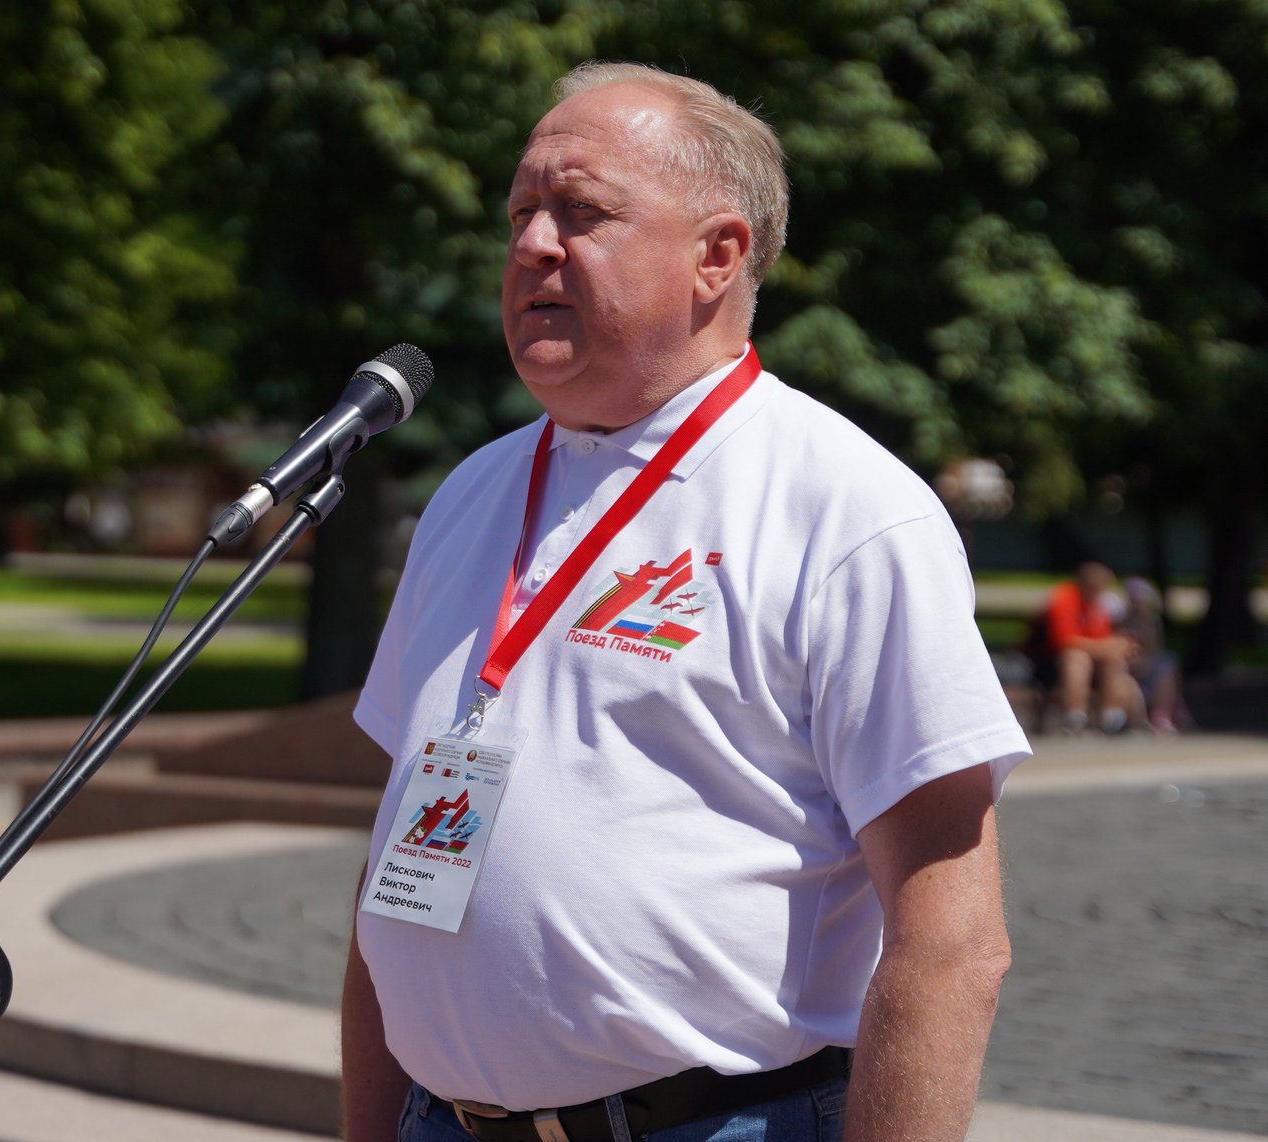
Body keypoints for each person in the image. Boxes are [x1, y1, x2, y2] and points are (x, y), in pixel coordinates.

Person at [343, 63, 1031, 1142]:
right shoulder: (469, 493)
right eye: (520, 212)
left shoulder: (845, 509)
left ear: (716, 255)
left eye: (579, 212)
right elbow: (394, 875)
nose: (530, 245)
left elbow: (949, 937)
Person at [1039, 562, 1141, 735]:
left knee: (1114, 661)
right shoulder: (1064, 599)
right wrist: (1107, 646)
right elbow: (1065, 641)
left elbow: (1101, 637)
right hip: (1049, 660)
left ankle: (1112, 716)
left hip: (1091, 659)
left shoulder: (1097, 604)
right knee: (1077, 658)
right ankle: (1075, 714)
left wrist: (1116, 646)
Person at [1119, 576, 1183, 733]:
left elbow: (1154, 647)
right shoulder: (1119, 620)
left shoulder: (1152, 621)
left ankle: (1161, 714)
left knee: (1166, 663)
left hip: (1148, 661)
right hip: (1126, 660)